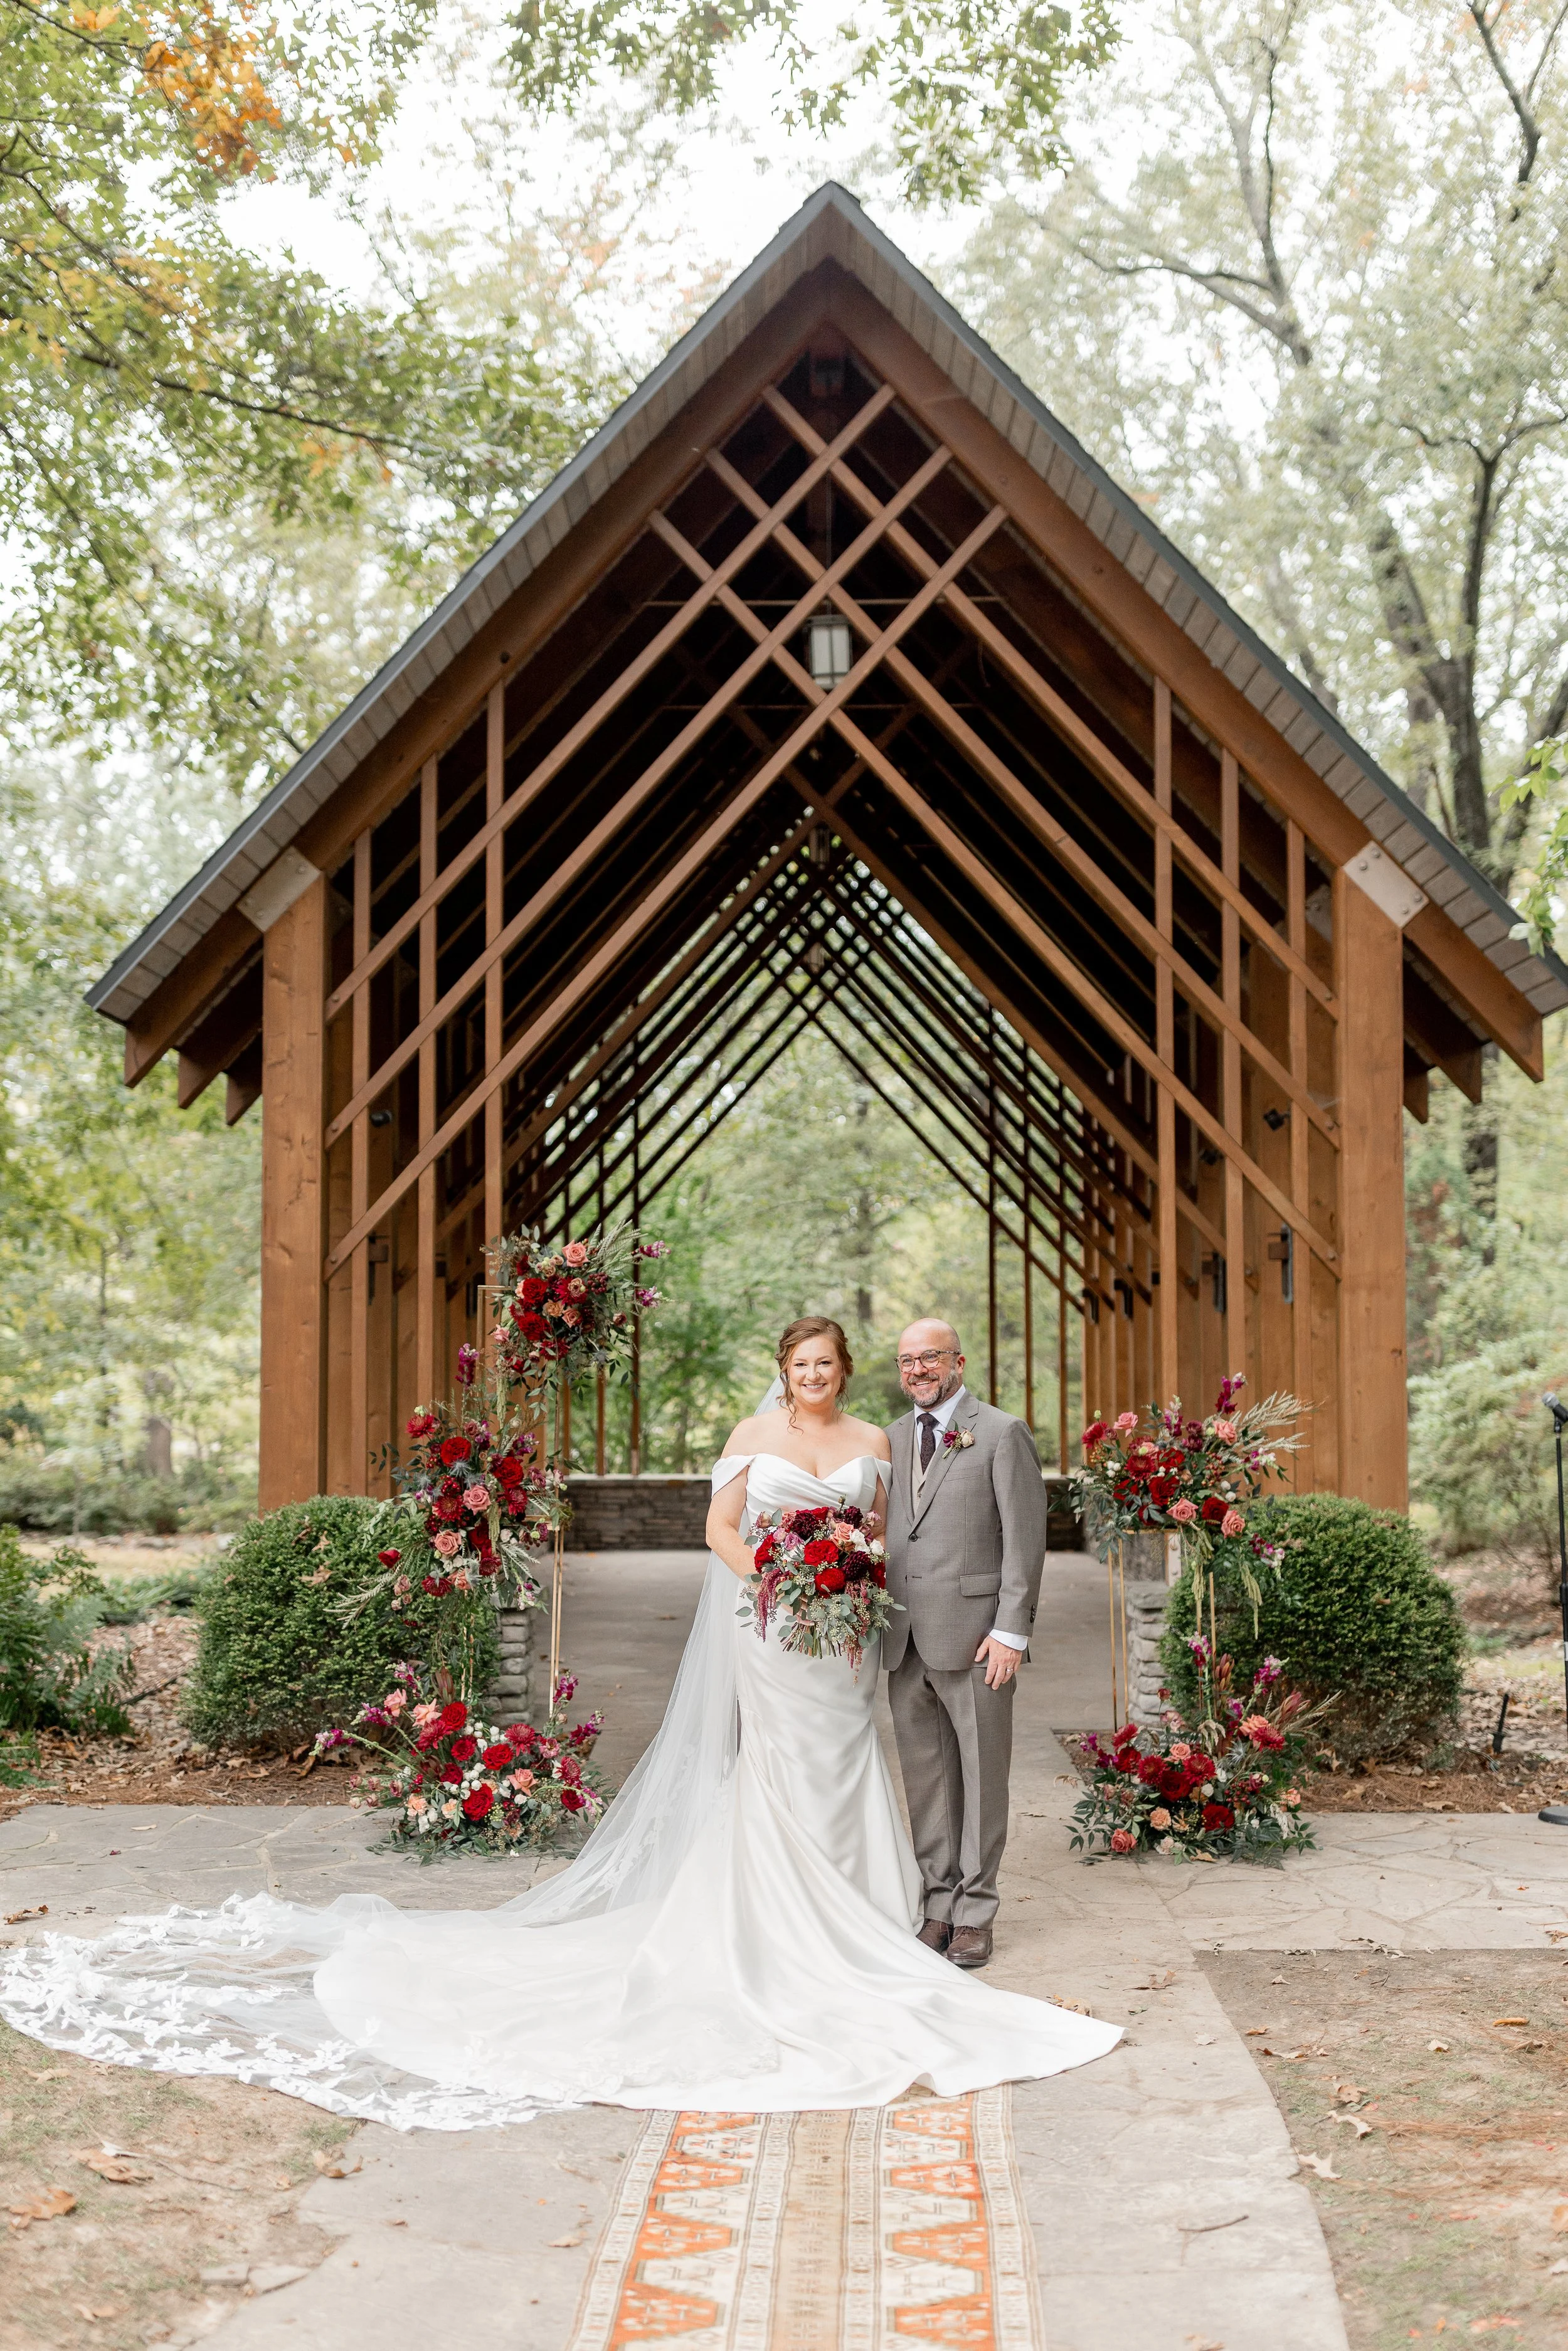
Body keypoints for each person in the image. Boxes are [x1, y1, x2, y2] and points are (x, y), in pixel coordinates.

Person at [0, 1317, 1117, 2127]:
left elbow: (885, 1532)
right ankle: (793, 1915)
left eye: (832, 1362)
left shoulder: (882, 1434)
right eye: (803, 1363)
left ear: (858, 1371)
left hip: (843, 1631)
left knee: (853, 1756)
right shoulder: (751, 1427)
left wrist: (847, 1577)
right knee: (780, 1764)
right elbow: (723, 1526)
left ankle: (886, 1908)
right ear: (784, 1370)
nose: (818, 1375)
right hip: (769, 1618)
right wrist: (779, 1571)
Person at [882, 1319, 1046, 1970]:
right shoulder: (891, 1439)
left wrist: (1011, 1630)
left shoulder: (1001, 1433)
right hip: (904, 1638)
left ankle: (976, 1911)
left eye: (929, 1357)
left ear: (957, 1360)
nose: (917, 1370)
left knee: (980, 1776)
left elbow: (1024, 1537)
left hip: (980, 1639)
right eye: (905, 1361)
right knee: (926, 1780)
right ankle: (938, 1904)